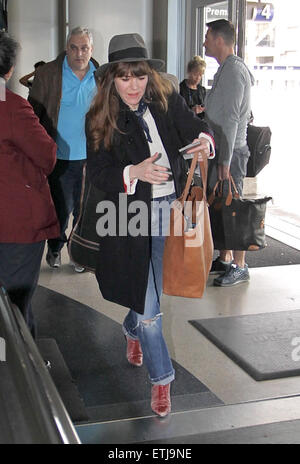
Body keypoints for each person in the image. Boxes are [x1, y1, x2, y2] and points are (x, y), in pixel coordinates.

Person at [86, 33, 214, 417]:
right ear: (112, 79)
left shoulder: (165, 99)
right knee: (149, 310)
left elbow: (194, 129)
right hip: (129, 217)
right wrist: (134, 171)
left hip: (171, 212)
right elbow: (99, 174)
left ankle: (131, 328)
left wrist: (204, 141)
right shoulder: (100, 117)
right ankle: (162, 381)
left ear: (148, 75)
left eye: (139, 76)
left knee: (147, 298)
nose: (133, 85)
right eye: (124, 77)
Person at [0, 31, 59, 337]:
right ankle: (20, 374)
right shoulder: (12, 107)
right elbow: (48, 156)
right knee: (15, 306)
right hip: (16, 225)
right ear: (9, 70)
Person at [28, 26, 99, 272]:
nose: (79, 54)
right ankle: (55, 248)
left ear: (91, 50)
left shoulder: (100, 76)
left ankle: (77, 252)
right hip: (58, 157)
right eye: (74, 47)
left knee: (84, 209)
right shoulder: (48, 74)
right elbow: (32, 115)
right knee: (61, 207)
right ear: (66, 48)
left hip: (90, 158)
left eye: (84, 48)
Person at [204, 19, 254, 287]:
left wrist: (224, 160)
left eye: (207, 37)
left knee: (234, 208)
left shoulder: (234, 71)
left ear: (219, 40)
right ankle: (224, 258)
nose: (204, 42)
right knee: (222, 207)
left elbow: (233, 117)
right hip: (223, 151)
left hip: (232, 153)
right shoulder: (226, 69)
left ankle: (240, 265)